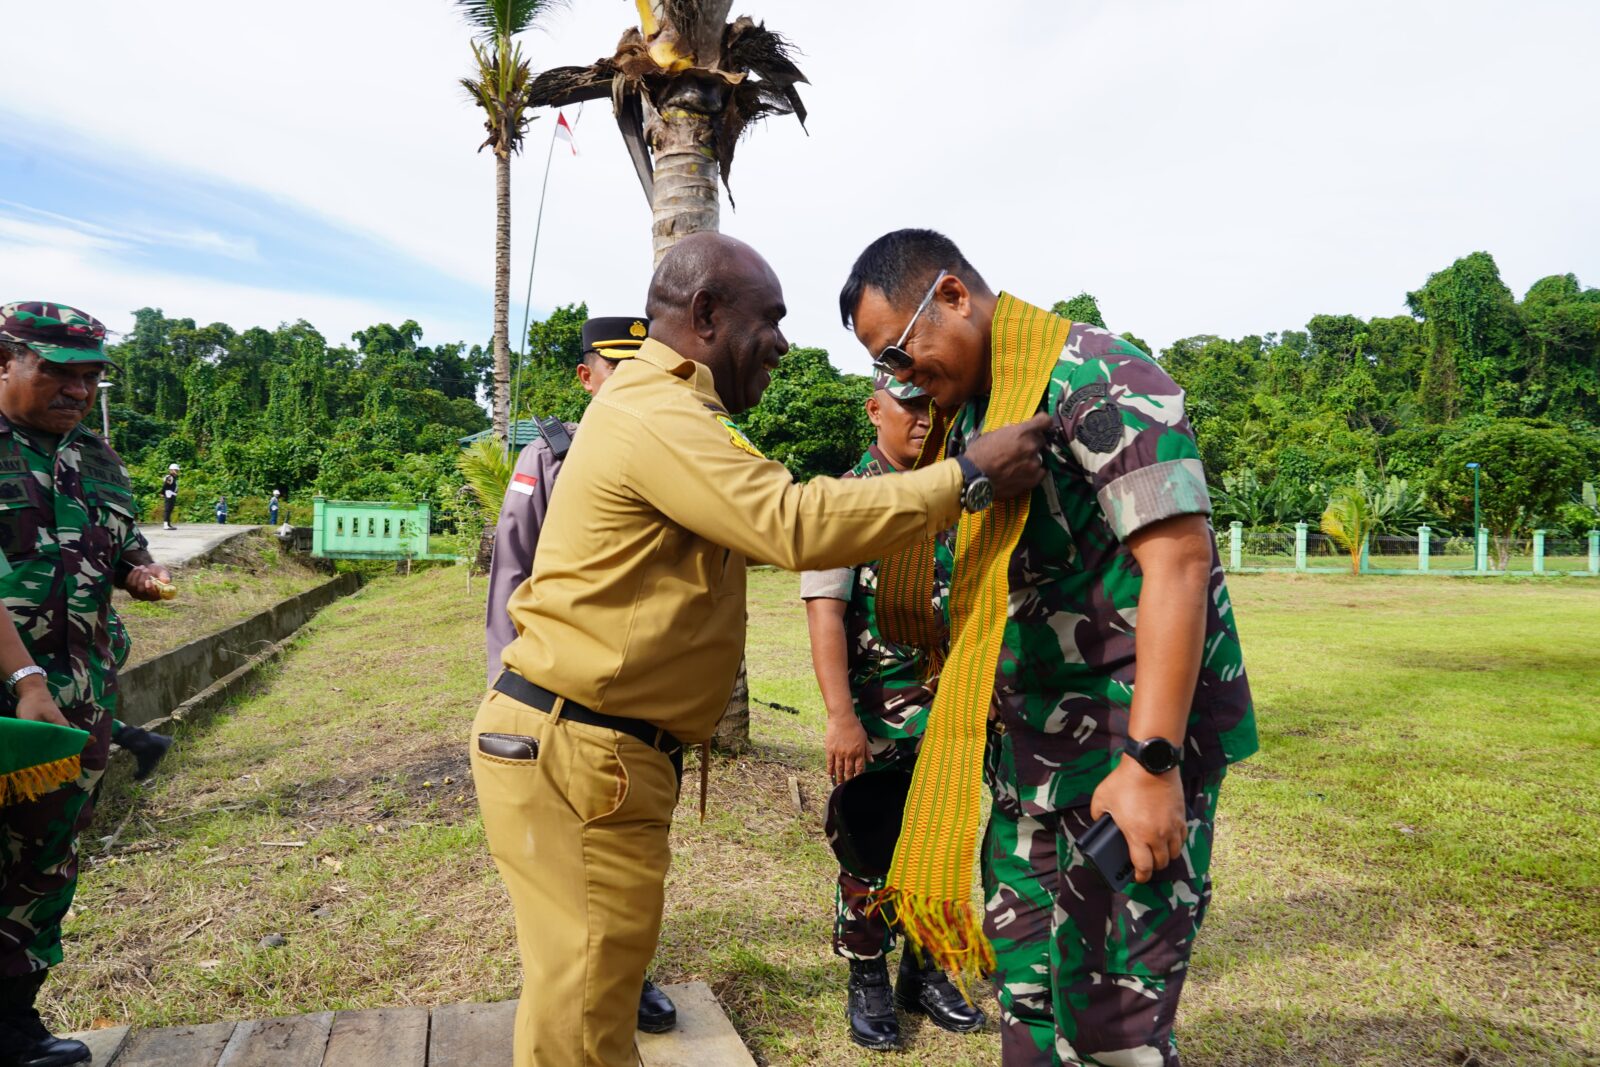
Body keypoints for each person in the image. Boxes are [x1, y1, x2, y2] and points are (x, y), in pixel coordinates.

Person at [471, 233, 1050, 1067]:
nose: (783, 341)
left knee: (589, 1004)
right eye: (769, 319)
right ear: (705, 314)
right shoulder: (656, 413)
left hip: (596, 754)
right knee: (580, 1027)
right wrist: (967, 477)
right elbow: (793, 523)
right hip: (582, 751)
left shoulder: (665, 409)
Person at [839, 231, 1258, 1067]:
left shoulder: (1096, 377)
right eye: (884, 367)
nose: (901, 377)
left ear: (953, 295)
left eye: (900, 350)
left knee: (1113, 1027)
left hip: (1123, 754)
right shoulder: (977, 421)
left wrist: (1151, 762)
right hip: (1028, 760)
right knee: (1027, 1001)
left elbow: (1176, 560)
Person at [483, 315, 678, 1035]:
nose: (627, 381)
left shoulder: (663, 447)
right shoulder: (550, 456)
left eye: (640, 366)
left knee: (626, 853)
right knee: (567, 864)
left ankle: (631, 974)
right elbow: (512, 566)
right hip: (554, 694)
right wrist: (507, 681)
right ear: (585, 377)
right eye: (613, 368)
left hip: (634, 700)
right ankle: (583, 989)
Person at [0, 301, 175, 1067]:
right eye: (57, 372)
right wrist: (26, 676)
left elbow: (122, 544)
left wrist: (141, 571)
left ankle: (11, 1022)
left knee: (44, 867)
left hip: (77, 701)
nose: (76, 389)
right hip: (18, 700)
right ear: (4, 362)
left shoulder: (95, 456)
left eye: (90, 376)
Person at [801, 369, 985, 1051]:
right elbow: (826, 612)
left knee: (940, 841)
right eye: (907, 405)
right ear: (873, 407)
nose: (920, 418)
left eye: (929, 406)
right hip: (876, 713)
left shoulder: (954, 494)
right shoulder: (844, 502)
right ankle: (869, 973)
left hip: (950, 713)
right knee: (869, 848)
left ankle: (927, 971)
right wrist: (840, 715)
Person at [161, 463, 179, 530]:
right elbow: (165, 485)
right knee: (167, 510)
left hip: (173, 495)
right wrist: (162, 492)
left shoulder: (174, 478)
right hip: (169, 494)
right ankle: (165, 525)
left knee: (170, 509)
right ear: (171, 470)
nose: (177, 471)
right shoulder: (170, 477)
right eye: (175, 470)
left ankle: (168, 524)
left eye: (177, 470)